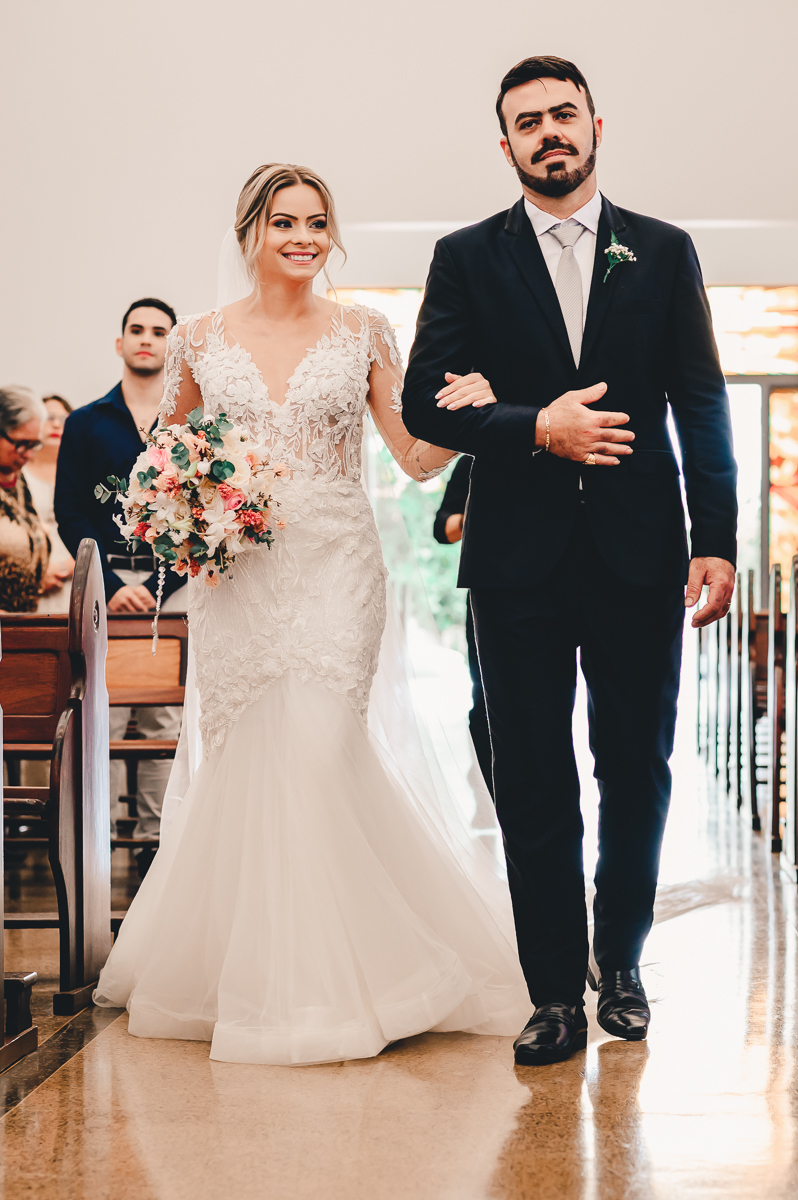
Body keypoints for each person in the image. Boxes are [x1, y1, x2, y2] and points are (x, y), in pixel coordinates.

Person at [94, 162, 530, 1066]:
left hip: (337, 562)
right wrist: (187, 506)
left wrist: (469, 414)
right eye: (285, 220)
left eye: (318, 221)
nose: (304, 236)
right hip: (241, 577)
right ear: (250, 231)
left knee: (320, 746)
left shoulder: (365, 330)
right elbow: (163, 455)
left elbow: (409, 456)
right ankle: (255, 977)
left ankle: (345, 980)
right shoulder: (202, 340)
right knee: (255, 752)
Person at [402, 56, 737, 1066]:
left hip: (642, 554)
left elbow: (704, 402)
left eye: (562, 115)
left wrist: (716, 538)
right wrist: (531, 425)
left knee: (635, 769)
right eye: (526, 122)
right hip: (517, 564)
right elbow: (423, 403)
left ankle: (621, 964)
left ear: (597, 124)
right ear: (504, 145)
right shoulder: (465, 259)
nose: (549, 132)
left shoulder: (666, 253)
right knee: (536, 779)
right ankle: (551, 991)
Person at [55, 300, 187, 864]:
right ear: (120, 342)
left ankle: (154, 846)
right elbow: (71, 513)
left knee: (164, 718)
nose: (147, 339)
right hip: (101, 590)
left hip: (174, 591)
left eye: (159, 332)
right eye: (137, 330)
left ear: (172, 345)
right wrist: (109, 584)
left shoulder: (190, 422)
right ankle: (99, 843)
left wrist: (159, 585)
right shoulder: (86, 422)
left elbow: (204, 510)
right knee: (102, 717)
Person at [432, 455, 493, 798]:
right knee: (483, 700)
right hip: (492, 587)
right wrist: (477, 517)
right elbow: (442, 527)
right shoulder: (473, 459)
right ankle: (487, 790)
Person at [0, 386, 60, 612]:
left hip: (20, 626)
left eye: (34, 444)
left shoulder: (17, 478)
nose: (29, 454)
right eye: (21, 444)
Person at [23, 394, 75, 613]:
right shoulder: (16, 473)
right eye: (49, 417)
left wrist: (71, 567)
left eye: (64, 419)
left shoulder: (80, 475)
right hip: (27, 576)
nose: (56, 424)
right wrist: (36, 574)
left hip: (75, 574)